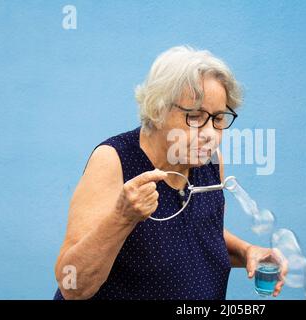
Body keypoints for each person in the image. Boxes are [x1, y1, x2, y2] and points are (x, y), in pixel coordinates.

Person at [53, 46, 286, 300]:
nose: (210, 134)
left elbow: (198, 235)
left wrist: (247, 251)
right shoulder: (114, 160)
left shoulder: (210, 161)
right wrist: (122, 217)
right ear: (158, 109)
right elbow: (72, 284)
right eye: (195, 117)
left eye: (218, 119)